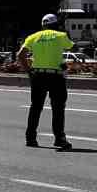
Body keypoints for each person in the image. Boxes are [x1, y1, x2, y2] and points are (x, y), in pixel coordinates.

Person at [18, 12, 74, 150]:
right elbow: (72, 47)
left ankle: (30, 138)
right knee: (58, 108)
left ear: (43, 25)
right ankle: (59, 139)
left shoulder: (33, 37)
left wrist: (29, 71)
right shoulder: (60, 36)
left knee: (35, 107)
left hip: (37, 76)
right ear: (56, 25)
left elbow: (20, 55)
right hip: (56, 76)